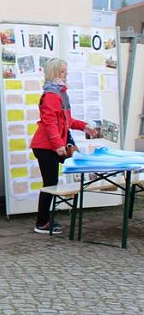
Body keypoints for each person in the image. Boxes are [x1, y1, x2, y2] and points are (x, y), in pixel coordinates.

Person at [30, 58, 95, 234]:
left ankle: (46, 219)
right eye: (62, 72)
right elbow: (49, 122)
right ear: (53, 73)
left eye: (66, 71)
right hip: (46, 146)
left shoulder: (61, 93)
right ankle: (42, 223)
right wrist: (59, 145)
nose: (66, 74)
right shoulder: (51, 95)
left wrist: (85, 126)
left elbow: (68, 121)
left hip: (55, 145)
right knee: (50, 183)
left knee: (75, 164)